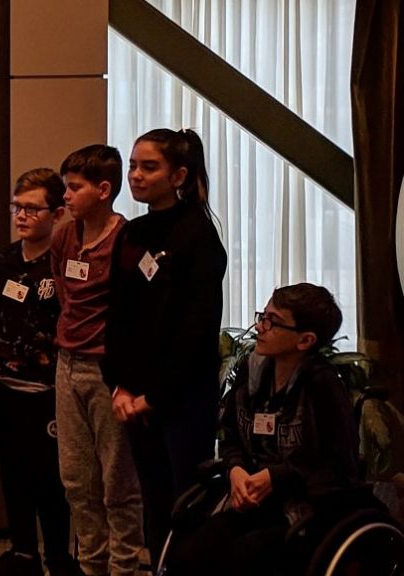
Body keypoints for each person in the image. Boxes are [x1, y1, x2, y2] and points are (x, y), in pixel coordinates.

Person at [167, 283, 361, 575]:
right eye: (262, 316)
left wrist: (276, 478)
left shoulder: (323, 387)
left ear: (305, 340)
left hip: (307, 512)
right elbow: (230, 435)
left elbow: (338, 467)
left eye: (272, 322)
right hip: (252, 503)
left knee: (244, 557)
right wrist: (236, 471)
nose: (260, 327)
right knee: (188, 553)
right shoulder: (252, 370)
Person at [102, 128, 228, 563]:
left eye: (148, 167)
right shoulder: (131, 232)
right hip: (132, 395)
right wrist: (119, 386)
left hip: (180, 398)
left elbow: (195, 332)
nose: (135, 176)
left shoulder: (198, 237)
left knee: (184, 502)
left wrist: (153, 396)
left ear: (178, 175)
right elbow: (117, 314)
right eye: (133, 165)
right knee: (153, 502)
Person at [0, 168, 78, 576]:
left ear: (57, 213)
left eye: (34, 209)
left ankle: (58, 556)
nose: (23, 216)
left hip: (47, 391)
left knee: (49, 478)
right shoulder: (1, 262)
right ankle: (23, 554)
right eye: (18, 207)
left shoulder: (64, 264)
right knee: (12, 472)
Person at [53, 145, 144, 576]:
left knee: (117, 483)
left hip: (107, 369)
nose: (65, 197)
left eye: (74, 188)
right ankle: (91, 566)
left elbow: (131, 308)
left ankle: (124, 568)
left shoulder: (126, 239)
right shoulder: (65, 234)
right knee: (75, 480)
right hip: (66, 364)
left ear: (104, 190)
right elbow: (63, 286)